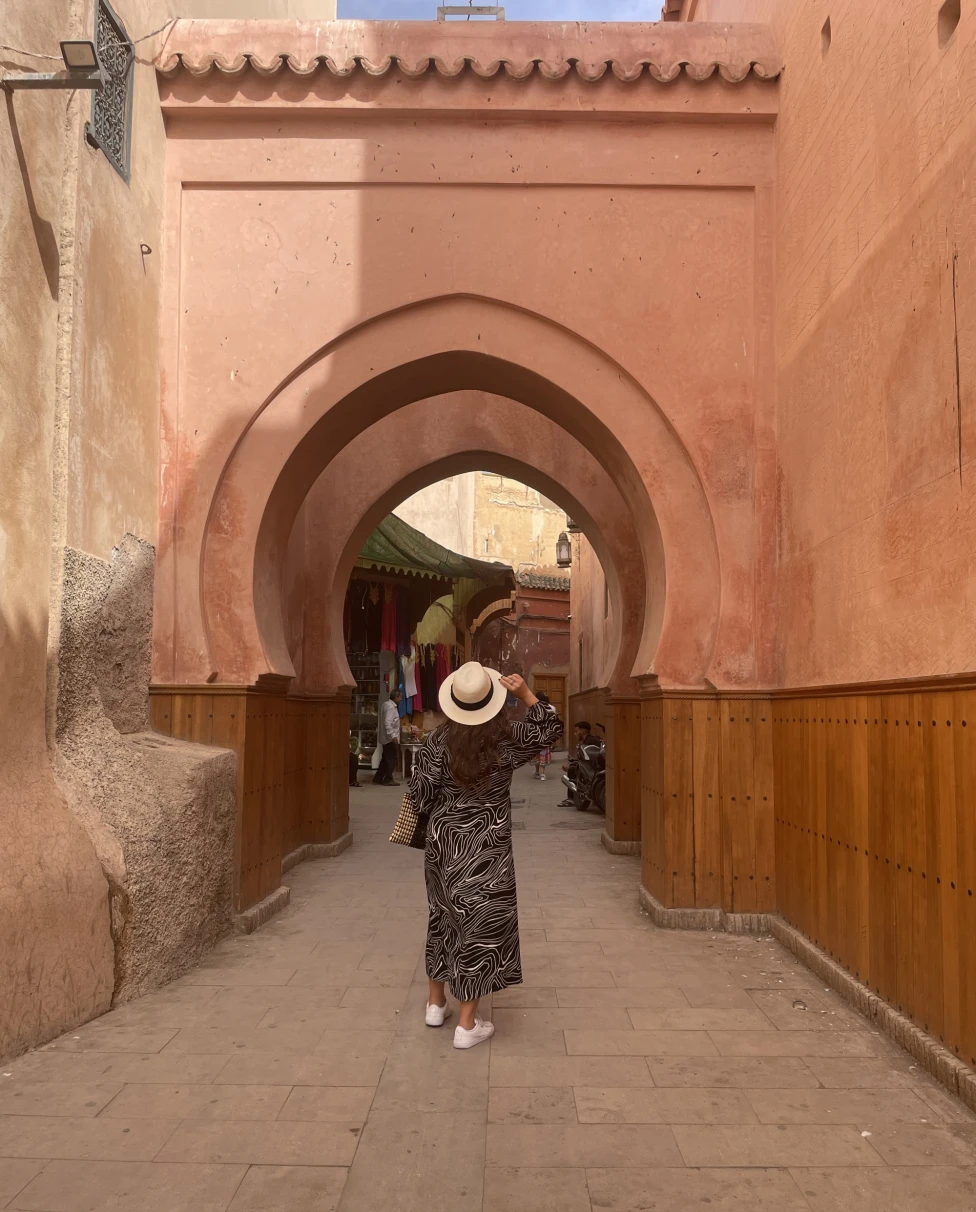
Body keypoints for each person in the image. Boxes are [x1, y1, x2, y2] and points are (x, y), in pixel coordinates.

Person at [409, 661, 562, 1049]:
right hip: (487, 849)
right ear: (491, 703)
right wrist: (526, 694)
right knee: (481, 927)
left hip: (443, 846)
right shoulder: (505, 743)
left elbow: (419, 797)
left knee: (443, 919)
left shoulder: (433, 744)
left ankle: (434, 1003)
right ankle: (467, 1024)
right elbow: (549, 728)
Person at [557, 719, 593, 807]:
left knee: (572, 769)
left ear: (583, 731)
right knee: (572, 766)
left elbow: (589, 761)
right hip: (587, 766)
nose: (575, 734)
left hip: (591, 768)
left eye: (577, 731)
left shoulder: (590, 742)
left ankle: (571, 799)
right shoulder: (587, 741)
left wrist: (571, 766)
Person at [373, 689, 402, 786]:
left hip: (386, 737)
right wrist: (393, 736)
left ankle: (378, 777)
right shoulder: (390, 707)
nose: (401, 699)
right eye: (400, 697)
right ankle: (388, 779)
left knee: (385, 758)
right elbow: (387, 722)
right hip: (389, 738)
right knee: (391, 759)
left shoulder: (386, 704)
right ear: (396, 697)